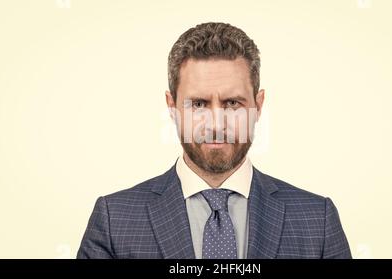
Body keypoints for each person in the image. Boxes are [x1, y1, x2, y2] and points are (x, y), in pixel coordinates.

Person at [77, 22, 352, 259]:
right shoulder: (114, 220)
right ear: (172, 107)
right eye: (198, 103)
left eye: (233, 103)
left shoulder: (318, 220)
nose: (217, 123)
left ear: (258, 105)